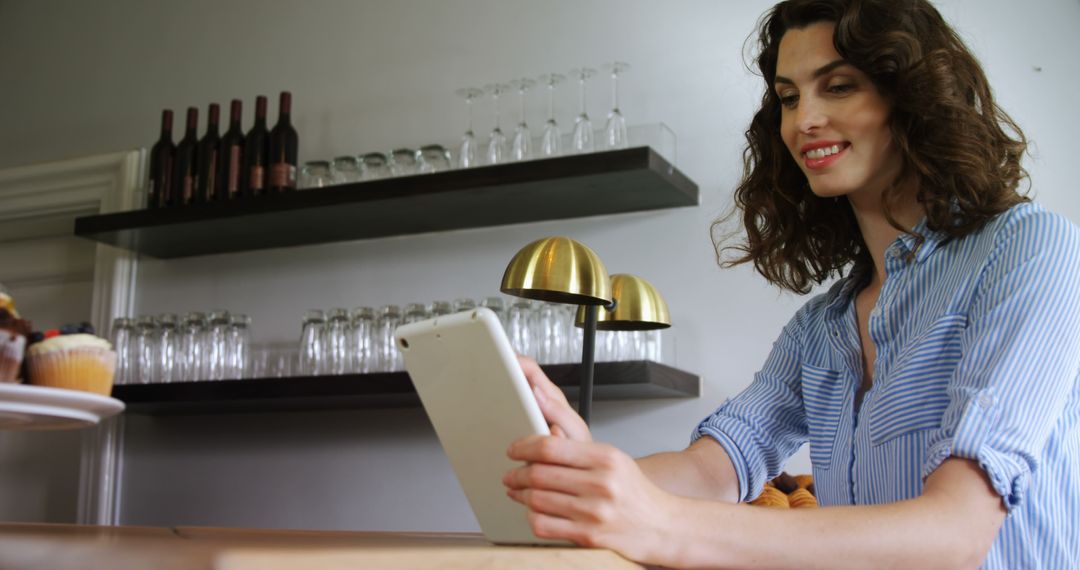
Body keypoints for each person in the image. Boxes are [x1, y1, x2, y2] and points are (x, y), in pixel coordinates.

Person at [501, 0, 1080, 567]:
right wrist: (586, 474)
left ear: (913, 98)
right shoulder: (821, 327)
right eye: (788, 97)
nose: (804, 120)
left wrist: (658, 521)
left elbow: (956, 532)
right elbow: (713, 467)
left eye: (840, 85)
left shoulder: (1030, 250)